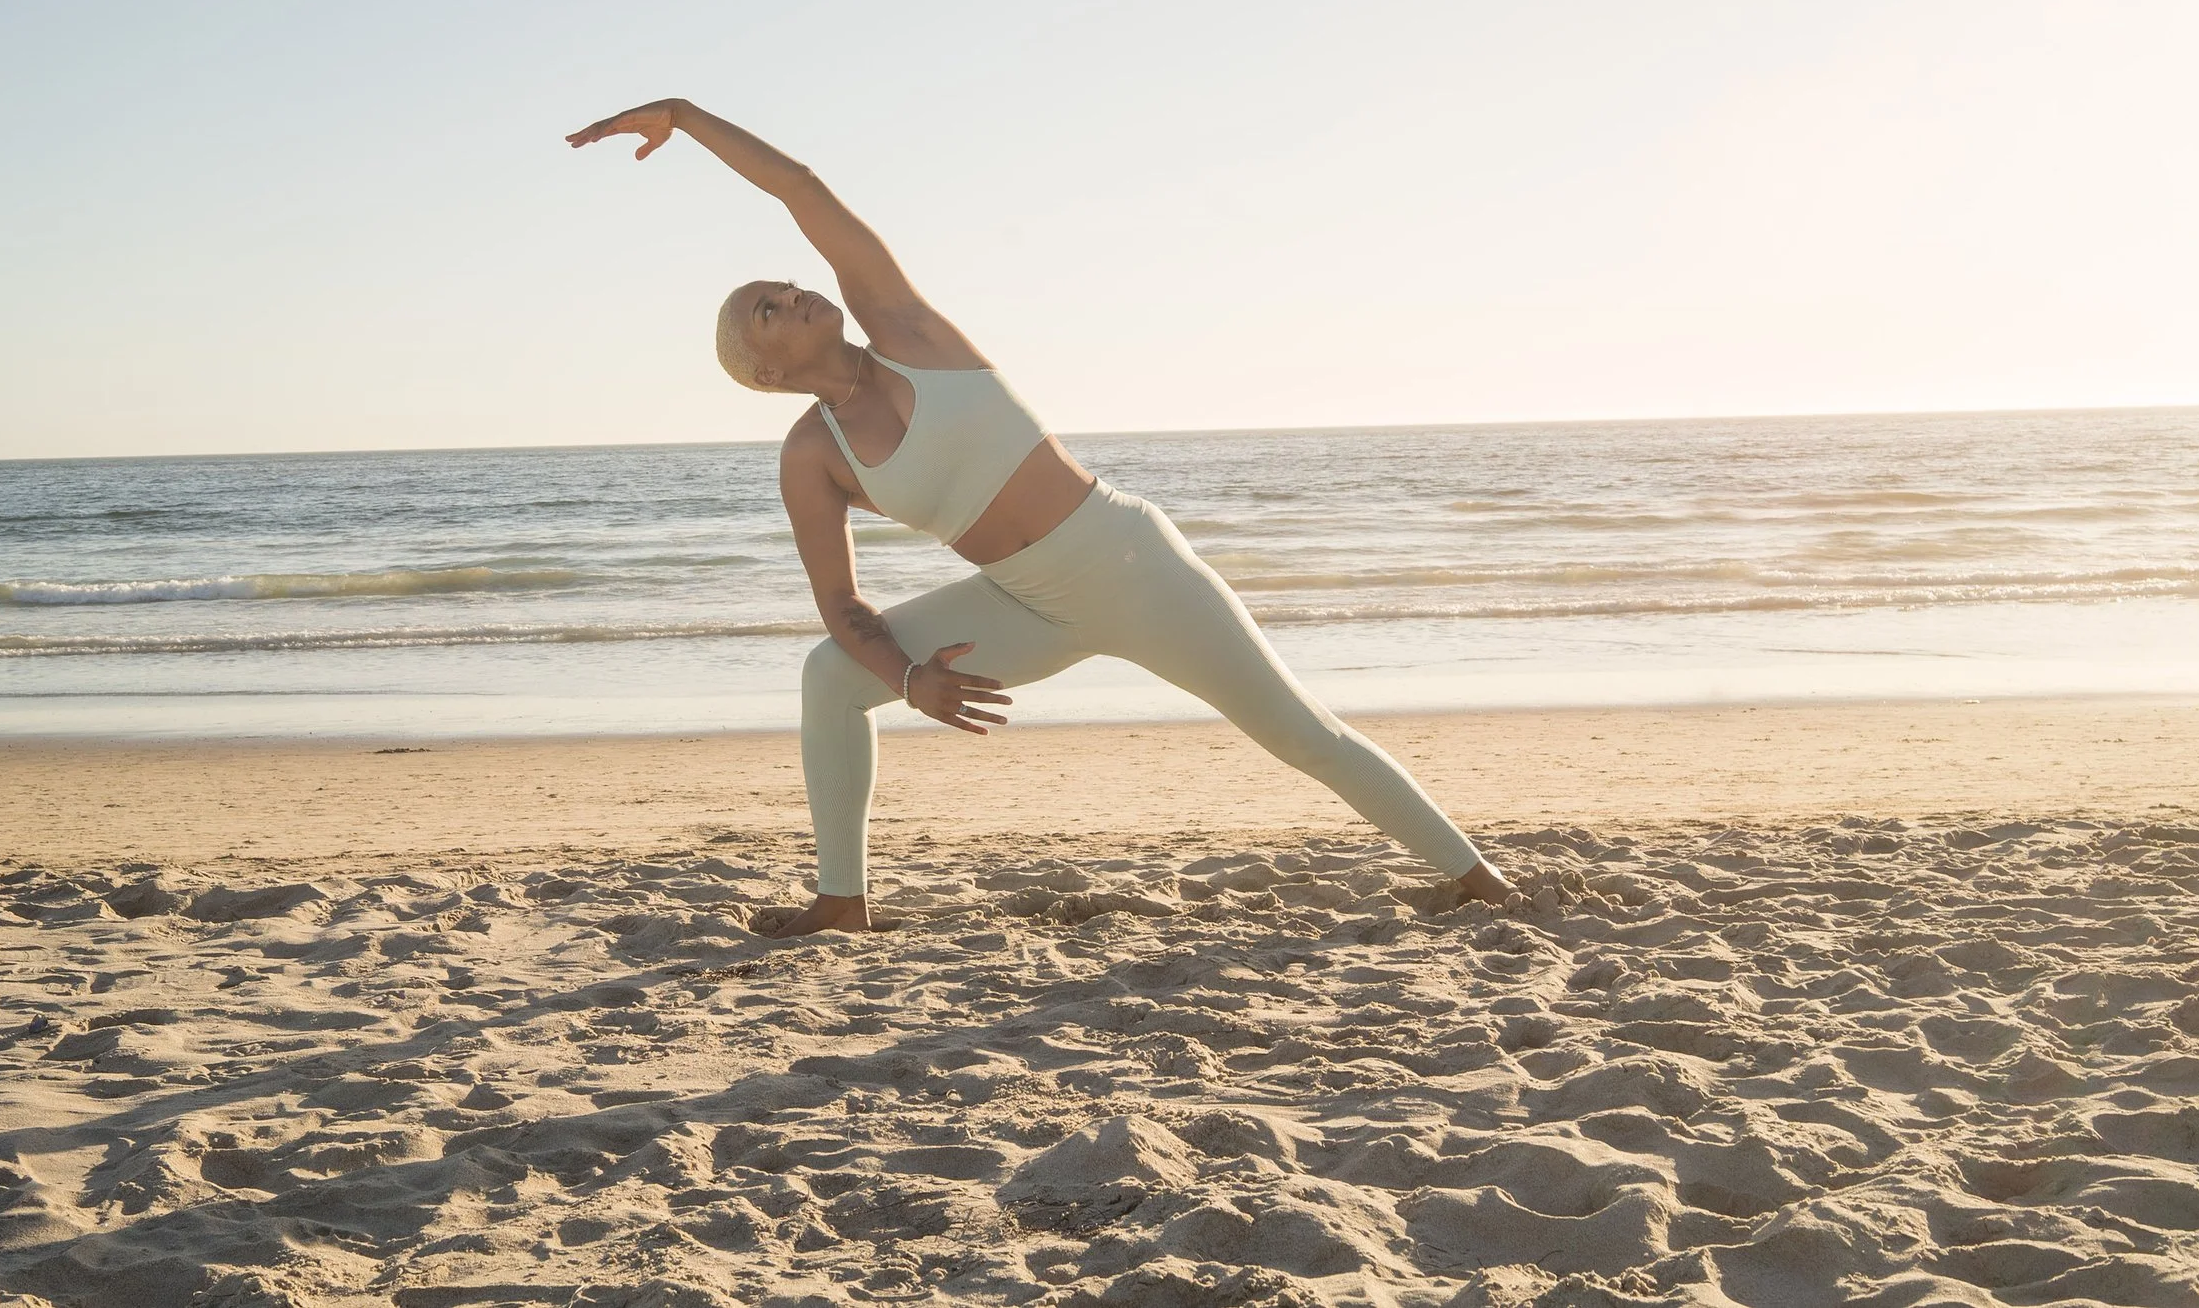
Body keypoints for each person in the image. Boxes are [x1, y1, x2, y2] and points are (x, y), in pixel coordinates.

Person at [567, 100, 1512, 936]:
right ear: (764, 369)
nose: (795, 292)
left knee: (1302, 734)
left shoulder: (906, 329)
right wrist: (906, 681)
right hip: (1026, 603)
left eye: (784, 285)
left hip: (1132, 565)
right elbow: (841, 604)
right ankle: (842, 900)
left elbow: (802, 190)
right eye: (769, 308)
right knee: (829, 675)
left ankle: (1480, 881)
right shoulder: (813, 455)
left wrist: (686, 118)